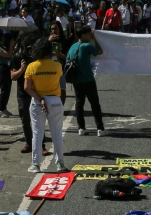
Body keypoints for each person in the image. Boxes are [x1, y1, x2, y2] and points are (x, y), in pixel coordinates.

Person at [24, 38, 65, 172]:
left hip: (37, 102)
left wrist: (40, 98)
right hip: (55, 101)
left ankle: (36, 165)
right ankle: (60, 164)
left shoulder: (31, 66)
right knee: (57, 134)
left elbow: (27, 88)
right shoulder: (57, 65)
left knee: (37, 134)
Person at [11, 34, 49, 156]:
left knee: (38, 119)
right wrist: (22, 69)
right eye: (26, 48)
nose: (28, 51)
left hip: (35, 92)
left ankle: (41, 145)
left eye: (30, 48)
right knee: (25, 119)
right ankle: (29, 143)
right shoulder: (17, 57)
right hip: (23, 94)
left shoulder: (36, 59)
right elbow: (12, 76)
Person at [67, 25, 105, 137]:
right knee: (95, 105)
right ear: (83, 35)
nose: (90, 35)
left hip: (76, 80)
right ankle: (100, 128)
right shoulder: (86, 46)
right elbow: (100, 52)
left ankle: (81, 128)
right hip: (88, 79)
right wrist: (94, 39)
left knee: (79, 104)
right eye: (89, 34)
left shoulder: (72, 47)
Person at [0, 33, 14, 118]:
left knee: (8, 90)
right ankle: (0, 110)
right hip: (2, 69)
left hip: (7, 69)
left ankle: (4, 107)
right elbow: (9, 54)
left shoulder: (3, 47)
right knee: (4, 90)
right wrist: (11, 45)